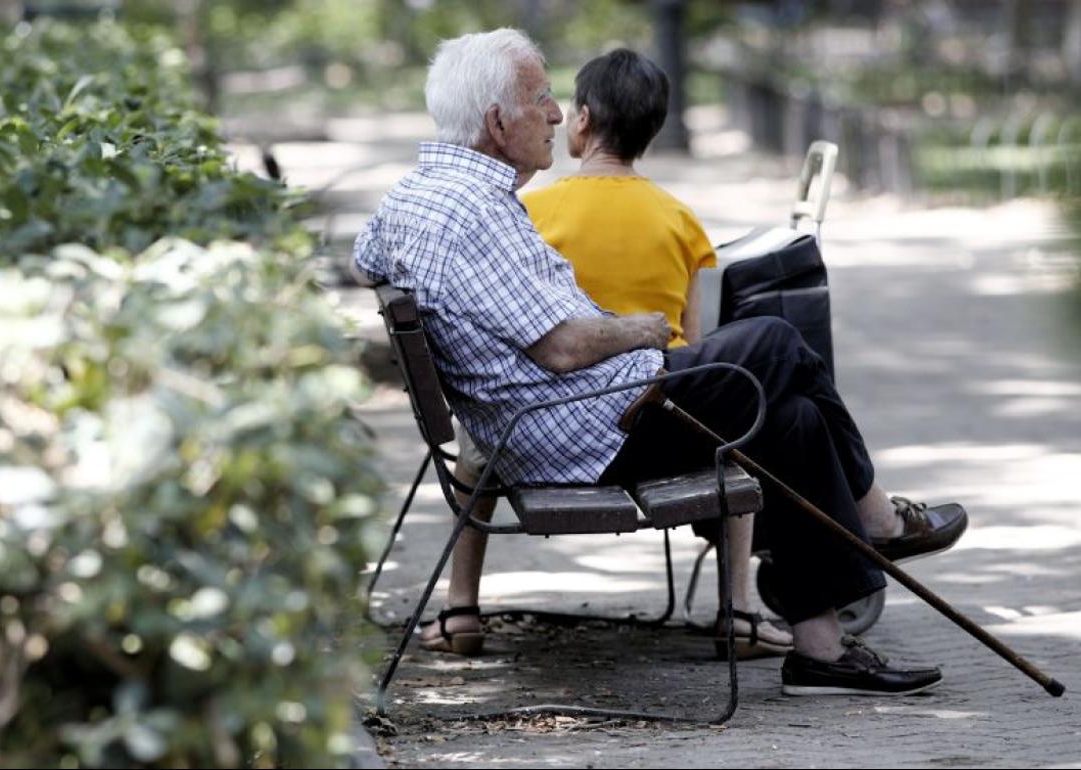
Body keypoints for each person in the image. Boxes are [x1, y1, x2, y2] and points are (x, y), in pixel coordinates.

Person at [352, 28, 968, 696]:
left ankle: (819, 651)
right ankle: (878, 519)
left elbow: (365, 261)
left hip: (570, 418)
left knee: (791, 420)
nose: (558, 114)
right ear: (498, 121)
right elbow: (560, 348)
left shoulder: (414, 197)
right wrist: (640, 329)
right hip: (589, 431)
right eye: (542, 99)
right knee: (778, 341)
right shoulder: (475, 214)